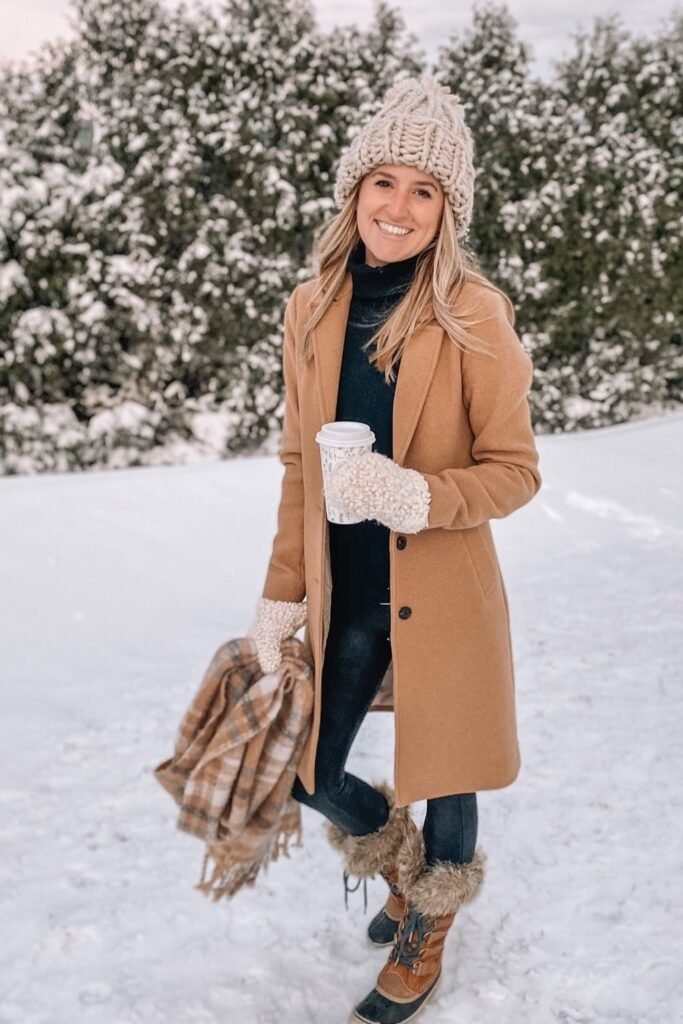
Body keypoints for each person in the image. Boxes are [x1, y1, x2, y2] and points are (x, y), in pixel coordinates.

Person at [248, 76, 542, 1024]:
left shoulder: (474, 314)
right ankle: (401, 864)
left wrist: (413, 493)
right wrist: (280, 598)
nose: (399, 207)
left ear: (446, 209)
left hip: (443, 587)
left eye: (424, 190)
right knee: (310, 771)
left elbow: (514, 471)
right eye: (384, 181)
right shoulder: (310, 307)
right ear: (354, 191)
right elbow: (300, 463)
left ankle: (428, 927)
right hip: (347, 588)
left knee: (445, 766)